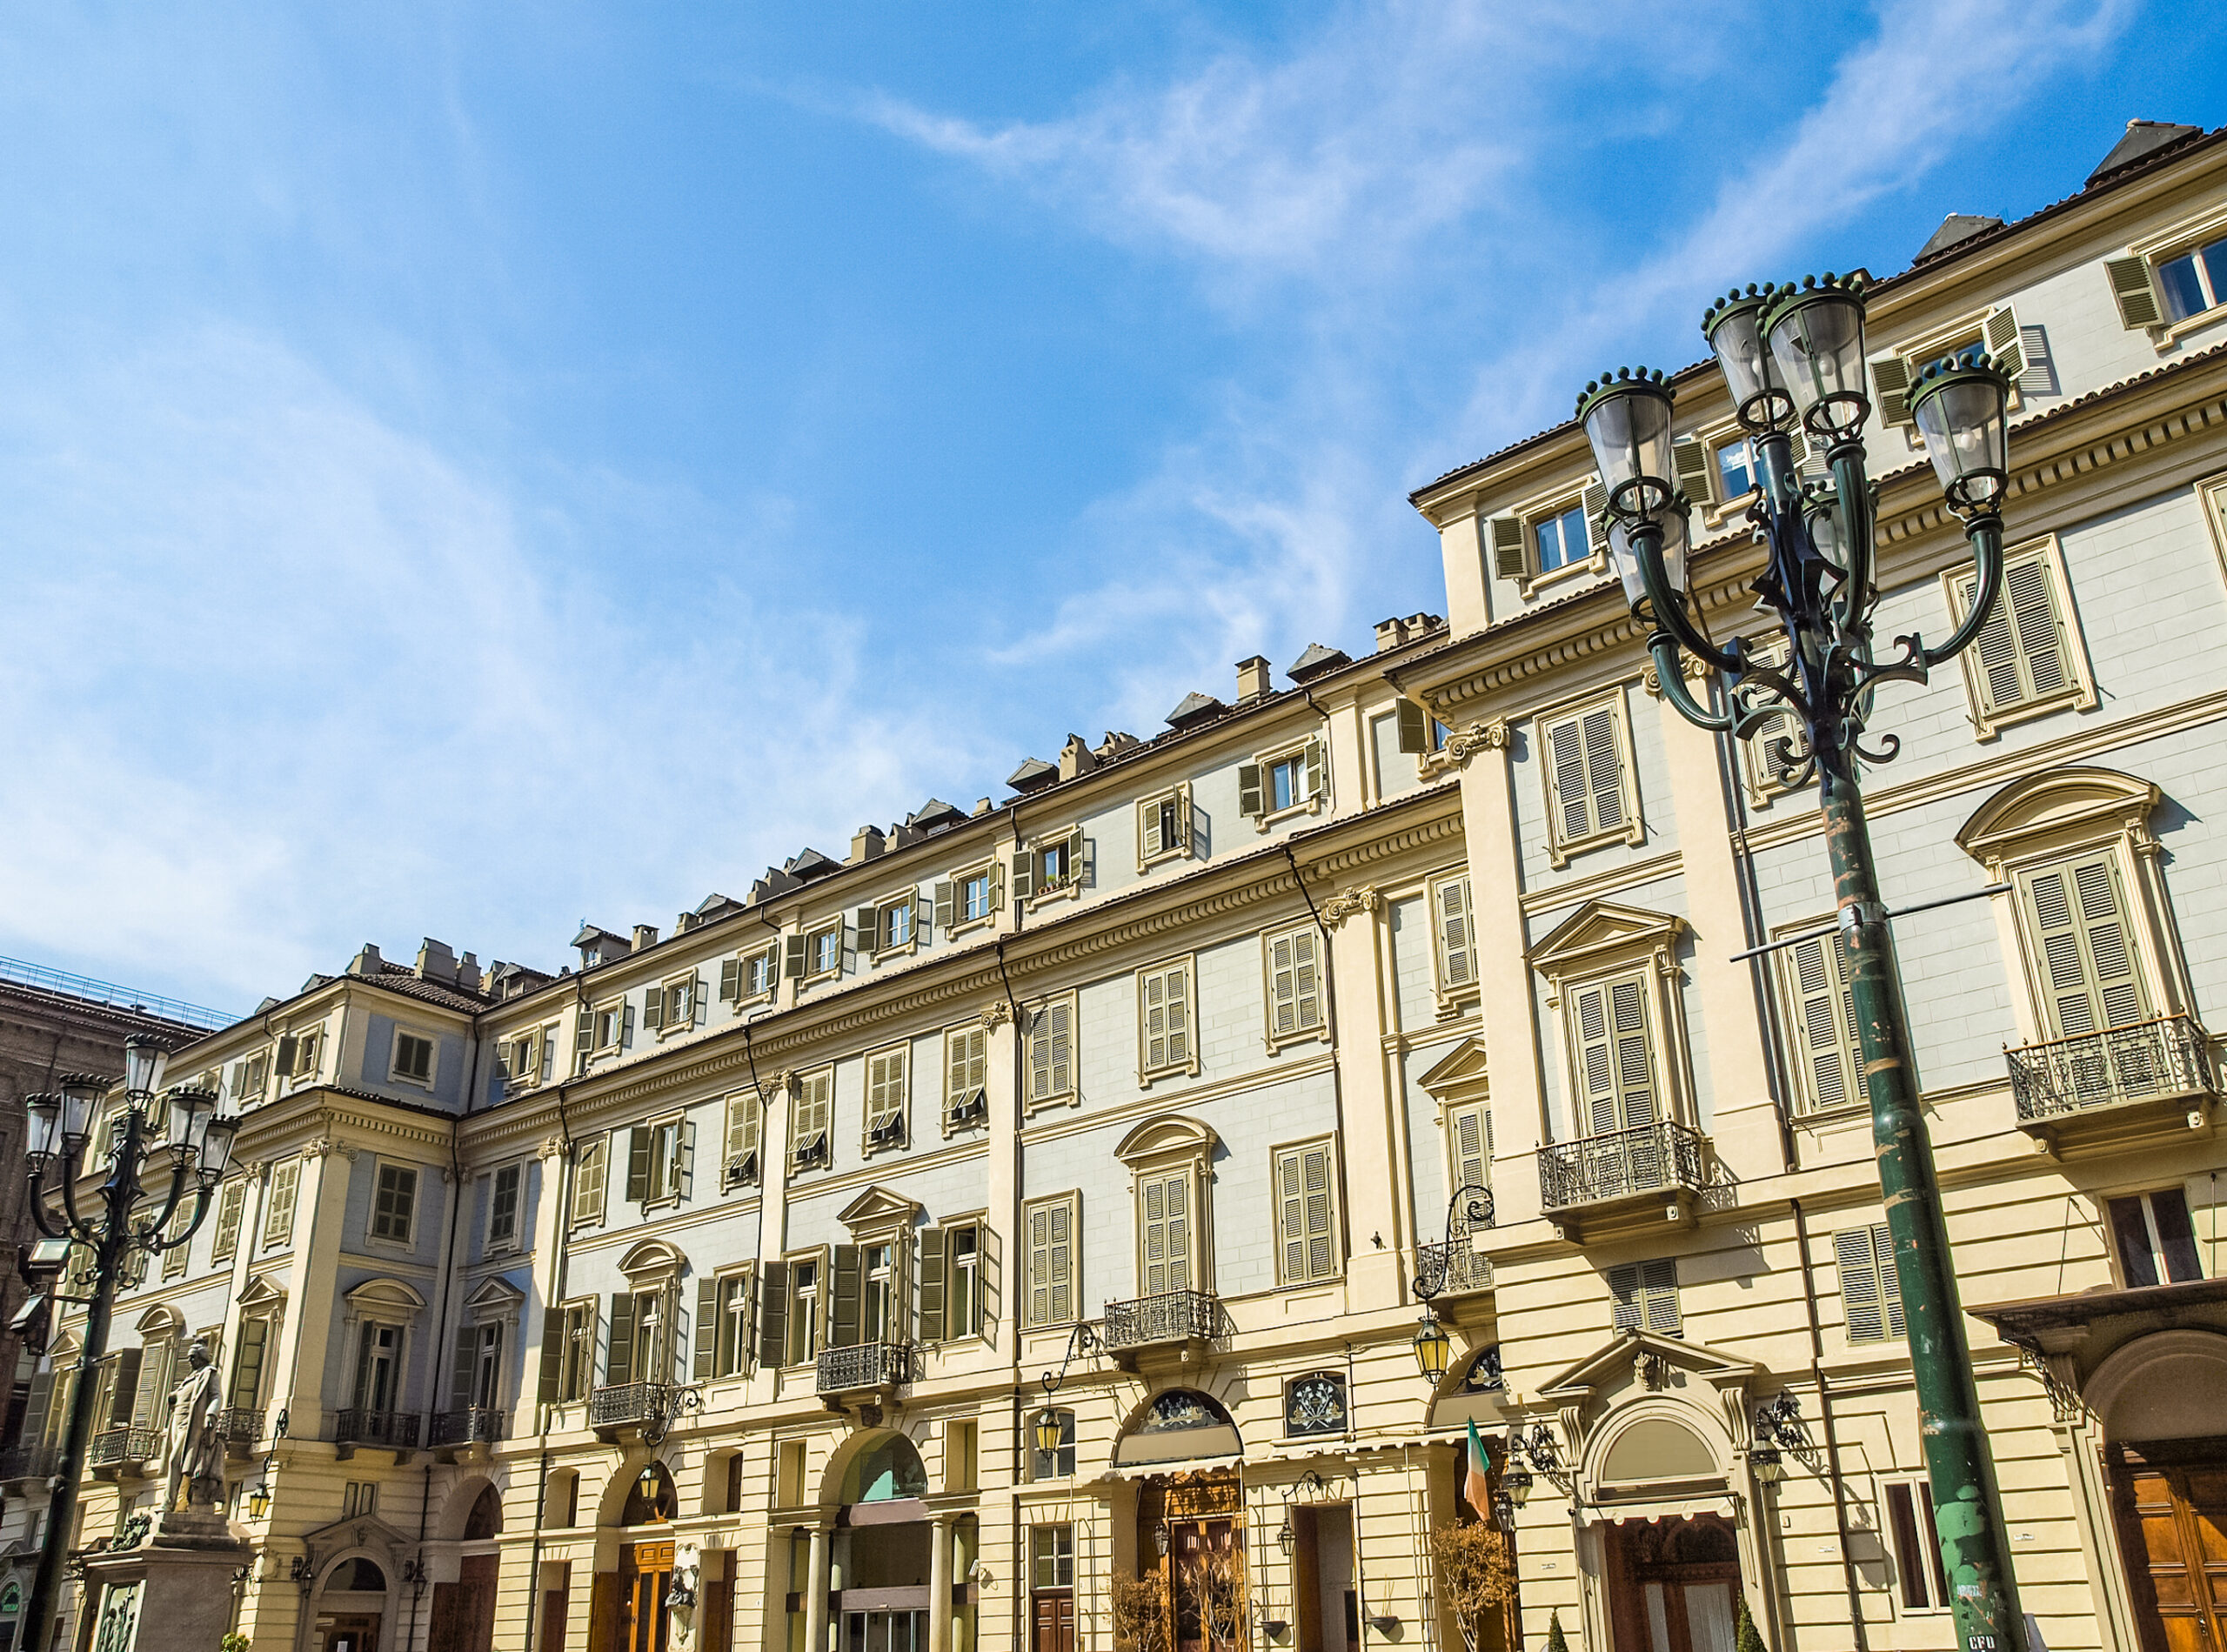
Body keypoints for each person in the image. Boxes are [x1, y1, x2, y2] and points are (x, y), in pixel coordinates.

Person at [163, 1340, 225, 1511]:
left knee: (176, 1461)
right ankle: (179, 1502)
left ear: (202, 1358)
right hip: (178, 1422)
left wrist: (211, 1414)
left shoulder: (209, 1374)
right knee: (175, 1460)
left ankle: (169, 1504)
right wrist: (174, 1396)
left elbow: (216, 1396)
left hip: (192, 1425)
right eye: (189, 1358)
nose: (190, 1361)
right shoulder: (190, 1377)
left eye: (194, 1357)